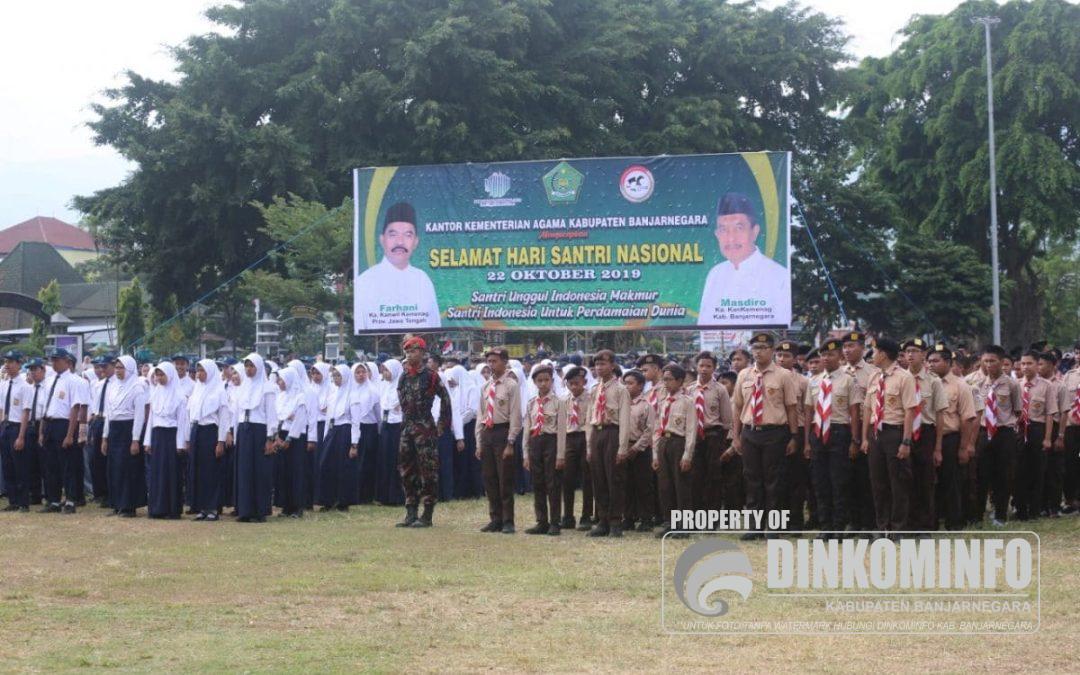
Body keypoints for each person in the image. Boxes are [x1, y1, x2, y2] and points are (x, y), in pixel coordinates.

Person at [732, 332, 798, 540]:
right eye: (755, 349)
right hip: (750, 432)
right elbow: (737, 407)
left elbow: (791, 408)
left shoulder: (783, 375)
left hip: (775, 432)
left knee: (774, 481)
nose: (758, 352)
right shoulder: (744, 375)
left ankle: (773, 527)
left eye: (763, 348)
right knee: (752, 480)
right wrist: (736, 435)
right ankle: (755, 526)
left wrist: (794, 436)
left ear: (772, 351)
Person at [698, 192, 790, 326]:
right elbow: (703, 325)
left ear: (755, 232)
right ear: (717, 235)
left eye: (739, 228)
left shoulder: (779, 276)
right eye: (723, 230)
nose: (731, 238)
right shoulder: (715, 275)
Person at [861, 338, 919, 537]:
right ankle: (881, 526)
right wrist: (865, 438)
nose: (872, 355)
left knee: (898, 483)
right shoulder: (874, 377)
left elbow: (910, 411)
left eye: (874, 351)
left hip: (895, 432)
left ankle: (898, 528)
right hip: (876, 433)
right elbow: (868, 408)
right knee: (877, 482)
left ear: (884, 354)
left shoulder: (904, 377)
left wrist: (906, 441)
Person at [394, 336, 453, 528]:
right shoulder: (404, 376)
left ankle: (427, 514)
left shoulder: (431, 376)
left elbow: (445, 399)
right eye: (407, 351)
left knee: (428, 471)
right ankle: (411, 511)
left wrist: (442, 424)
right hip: (407, 428)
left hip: (425, 428)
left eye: (413, 351)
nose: (410, 354)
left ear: (422, 352)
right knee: (406, 470)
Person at [354, 202, 441, 330]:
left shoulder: (423, 280)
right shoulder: (364, 282)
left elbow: (435, 326)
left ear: (416, 242)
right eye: (393, 234)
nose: (400, 242)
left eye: (408, 235)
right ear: (382, 239)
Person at [805, 339, 857, 539]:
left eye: (831, 354)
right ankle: (825, 527)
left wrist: (854, 440)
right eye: (823, 355)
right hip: (818, 433)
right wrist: (807, 442)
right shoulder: (815, 381)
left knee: (839, 482)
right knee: (820, 483)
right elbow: (809, 413)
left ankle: (838, 527)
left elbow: (854, 412)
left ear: (840, 357)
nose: (826, 358)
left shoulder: (848, 380)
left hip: (839, 432)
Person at [901, 338, 948, 532]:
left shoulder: (934, 381)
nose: (910, 355)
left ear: (923, 355)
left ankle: (926, 525)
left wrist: (938, 447)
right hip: (905, 433)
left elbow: (939, 415)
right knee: (905, 480)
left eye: (915, 351)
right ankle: (908, 524)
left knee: (926, 480)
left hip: (926, 433)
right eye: (907, 351)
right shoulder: (900, 379)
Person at [928, 344, 976, 531]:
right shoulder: (924, 383)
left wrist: (964, 447)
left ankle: (954, 522)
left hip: (950, 438)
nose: (931, 364)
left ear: (948, 362)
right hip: (928, 437)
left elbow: (967, 418)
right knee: (929, 482)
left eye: (936, 361)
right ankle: (931, 522)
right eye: (929, 361)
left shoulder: (960, 386)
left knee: (951, 481)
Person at [974, 345, 1022, 526]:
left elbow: (1017, 411)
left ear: (1002, 363)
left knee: (1003, 474)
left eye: (992, 361)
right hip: (984, 432)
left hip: (1004, 433)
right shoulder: (978, 385)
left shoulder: (1012, 384)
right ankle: (977, 514)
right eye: (985, 361)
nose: (988, 365)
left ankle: (1001, 514)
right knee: (981, 473)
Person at [585, 349, 631, 538]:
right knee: (599, 479)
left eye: (603, 364)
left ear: (612, 365)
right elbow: (589, 417)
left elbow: (625, 420)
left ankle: (615, 521)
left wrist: (622, 447)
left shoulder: (621, 389)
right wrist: (589, 444)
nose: (599, 367)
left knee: (614, 479)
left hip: (613, 432)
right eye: (596, 364)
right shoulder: (595, 389)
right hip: (597, 432)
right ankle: (602, 520)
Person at [476, 348, 521, 534]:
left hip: (503, 433)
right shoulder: (486, 387)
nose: (491, 365)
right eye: (489, 362)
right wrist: (478, 442)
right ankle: (495, 518)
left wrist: (511, 442)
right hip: (487, 433)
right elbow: (480, 416)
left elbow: (516, 415)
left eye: (495, 361)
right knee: (490, 478)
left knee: (505, 478)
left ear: (504, 362)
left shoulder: (511, 385)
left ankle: (508, 520)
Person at [686, 351, 734, 514]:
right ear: (696, 366)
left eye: (708, 366)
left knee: (713, 476)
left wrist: (722, 441)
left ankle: (712, 514)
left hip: (713, 435)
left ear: (714, 368)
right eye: (701, 365)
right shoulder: (689, 390)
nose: (704, 369)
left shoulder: (720, 390)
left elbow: (727, 419)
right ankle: (696, 512)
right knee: (694, 475)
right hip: (694, 437)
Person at [100, 355, 147, 518]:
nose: (118, 371)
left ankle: (128, 506)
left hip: (128, 429)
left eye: (121, 368)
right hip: (114, 428)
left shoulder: (137, 388)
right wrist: (105, 437)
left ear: (130, 369)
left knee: (128, 468)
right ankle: (116, 503)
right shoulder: (113, 386)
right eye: (117, 368)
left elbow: (140, 416)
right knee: (114, 467)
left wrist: (135, 439)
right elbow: (109, 413)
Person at [653, 364, 696, 538]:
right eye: (664, 379)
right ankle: (669, 522)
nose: (666, 383)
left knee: (681, 485)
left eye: (670, 379)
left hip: (679, 443)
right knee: (665, 485)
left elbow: (691, 430)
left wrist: (687, 454)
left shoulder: (687, 402)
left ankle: (684, 525)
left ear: (680, 381)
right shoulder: (663, 402)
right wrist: (655, 453)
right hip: (664, 441)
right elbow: (657, 427)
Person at [233, 353, 277, 523]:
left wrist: (270, 438)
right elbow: (238, 411)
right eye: (246, 366)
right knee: (244, 471)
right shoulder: (243, 387)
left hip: (260, 431)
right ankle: (244, 510)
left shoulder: (267, 388)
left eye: (252, 366)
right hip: (244, 429)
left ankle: (259, 511)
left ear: (259, 367)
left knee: (259, 471)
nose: (249, 370)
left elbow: (272, 414)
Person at [39, 349, 85, 514]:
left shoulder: (74, 380)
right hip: (50, 423)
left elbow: (75, 408)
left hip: (64, 424)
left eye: (57, 360)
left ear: (67, 361)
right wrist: (42, 431)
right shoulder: (50, 380)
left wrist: (69, 434)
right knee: (51, 466)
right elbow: (45, 407)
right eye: (52, 360)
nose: (54, 363)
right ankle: (54, 500)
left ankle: (71, 500)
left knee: (67, 465)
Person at [522, 365, 566, 535]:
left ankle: (555, 522)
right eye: (539, 380)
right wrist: (525, 453)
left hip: (551, 442)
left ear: (552, 381)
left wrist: (561, 455)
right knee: (538, 483)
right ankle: (542, 521)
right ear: (534, 382)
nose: (543, 384)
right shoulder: (532, 403)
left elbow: (562, 430)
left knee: (553, 484)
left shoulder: (559, 402)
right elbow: (527, 429)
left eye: (546, 380)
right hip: (535, 442)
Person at [1014, 350, 1057, 521]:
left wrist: (1047, 438)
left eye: (1029, 363)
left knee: (1037, 470)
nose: (1025, 367)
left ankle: (1034, 509)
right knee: (1019, 470)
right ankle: (1020, 509)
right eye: (1023, 364)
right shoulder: (1015, 384)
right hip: (1018, 430)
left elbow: (1049, 414)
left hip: (1037, 429)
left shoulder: (1046, 386)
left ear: (1037, 364)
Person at [143, 361, 189, 519]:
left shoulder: (179, 395)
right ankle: (157, 508)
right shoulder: (155, 393)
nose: (159, 378)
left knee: (171, 473)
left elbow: (182, 421)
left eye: (162, 374)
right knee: (157, 472)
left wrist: (180, 443)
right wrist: (147, 441)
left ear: (169, 375)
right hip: (157, 435)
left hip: (171, 436)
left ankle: (171, 509)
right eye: (157, 374)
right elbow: (151, 419)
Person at [186, 359, 230, 521]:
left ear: (210, 372)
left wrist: (220, 441)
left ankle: (213, 508)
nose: (199, 374)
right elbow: (190, 414)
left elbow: (224, 418)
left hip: (211, 432)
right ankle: (201, 507)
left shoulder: (219, 391)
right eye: (197, 371)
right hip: (196, 430)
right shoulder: (197, 390)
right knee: (197, 470)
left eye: (202, 371)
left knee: (211, 470)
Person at [842, 331, 877, 532]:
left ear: (862, 348)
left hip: (866, 429)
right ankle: (852, 521)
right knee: (846, 478)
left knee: (866, 479)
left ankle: (867, 523)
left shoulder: (872, 372)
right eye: (845, 347)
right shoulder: (838, 372)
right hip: (843, 429)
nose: (847, 350)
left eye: (852, 346)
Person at [775, 341, 809, 531]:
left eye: (786, 356)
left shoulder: (803, 381)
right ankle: (778, 521)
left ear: (795, 359)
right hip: (776, 431)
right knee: (777, 479)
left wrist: (801, 439)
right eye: (779, 355)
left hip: (797, 431)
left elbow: (805, 410)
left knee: (796, 478)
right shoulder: (768, 378)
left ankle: (795, 521)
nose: (781, 359)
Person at [317, 364, 360, 511]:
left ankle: (343, 501)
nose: (336, 379)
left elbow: (355, 421)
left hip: (345, 431)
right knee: (326, 464)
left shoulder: (352, 394)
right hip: (332, 430)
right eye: (334, 376)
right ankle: (327, 500)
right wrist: (325, 437)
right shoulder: (333, 393)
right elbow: (329, 416)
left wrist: (354, 443)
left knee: (343, 467)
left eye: (338, 376)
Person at [559, 365, 593, 532]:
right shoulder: (564, 401)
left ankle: (586, 516)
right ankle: (568, 516)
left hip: (585, 438)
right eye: (570, 384)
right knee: (567, 479)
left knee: (587, 479)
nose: (573, 387)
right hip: (570, 439)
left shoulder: (591, 399)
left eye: (576, 383)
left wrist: (589, 447)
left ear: (584, 382)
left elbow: (590, 423)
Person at [621, 369, 655, 532]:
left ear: (640, 385)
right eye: (625, 383)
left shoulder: (646, 405)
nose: (627, 386)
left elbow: (649, 430)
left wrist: (636, 447)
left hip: (640, 450)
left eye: (630, 383)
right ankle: (628, 517)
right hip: (623, 447)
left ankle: (646, 518)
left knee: (643, 485)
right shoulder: (621, 404)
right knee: (626, 484)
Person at [0, 350, 28, 511]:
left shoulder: (24, 386)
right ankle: (13, 501)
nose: (7, 365)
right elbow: (1, 408)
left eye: (11, 362)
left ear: (19, 364)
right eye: (6, 361)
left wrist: (21, 436)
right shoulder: (4, 385)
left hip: (17, 427)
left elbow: (25, 412)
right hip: (5, 426)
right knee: (7, 465)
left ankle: (23, 502)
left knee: (20, 466)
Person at [375, 359, 405, 506]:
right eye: (383, 370)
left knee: (397, 460)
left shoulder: (402, 386)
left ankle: (397, 496)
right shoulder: (383, 386)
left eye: (387, 370)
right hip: (386, 425)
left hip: (398, 425)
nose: (385, 373)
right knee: (385, 460)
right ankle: (384, 496)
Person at [86, 355, 114, 508]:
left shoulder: (117, 384)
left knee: (106, 459)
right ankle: (100, 493)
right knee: (94, 459)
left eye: (105, 366)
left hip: (108, 420)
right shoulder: (97, 384)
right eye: (99, 367)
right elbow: (92, 404)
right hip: (97, 420)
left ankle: (109, 493)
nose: (102, 369)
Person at [1058, 352, 1080, 515]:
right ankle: (1071, 500)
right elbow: (1063, 402)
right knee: (1070, 463)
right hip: (1072, 426)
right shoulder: (1069, 376)